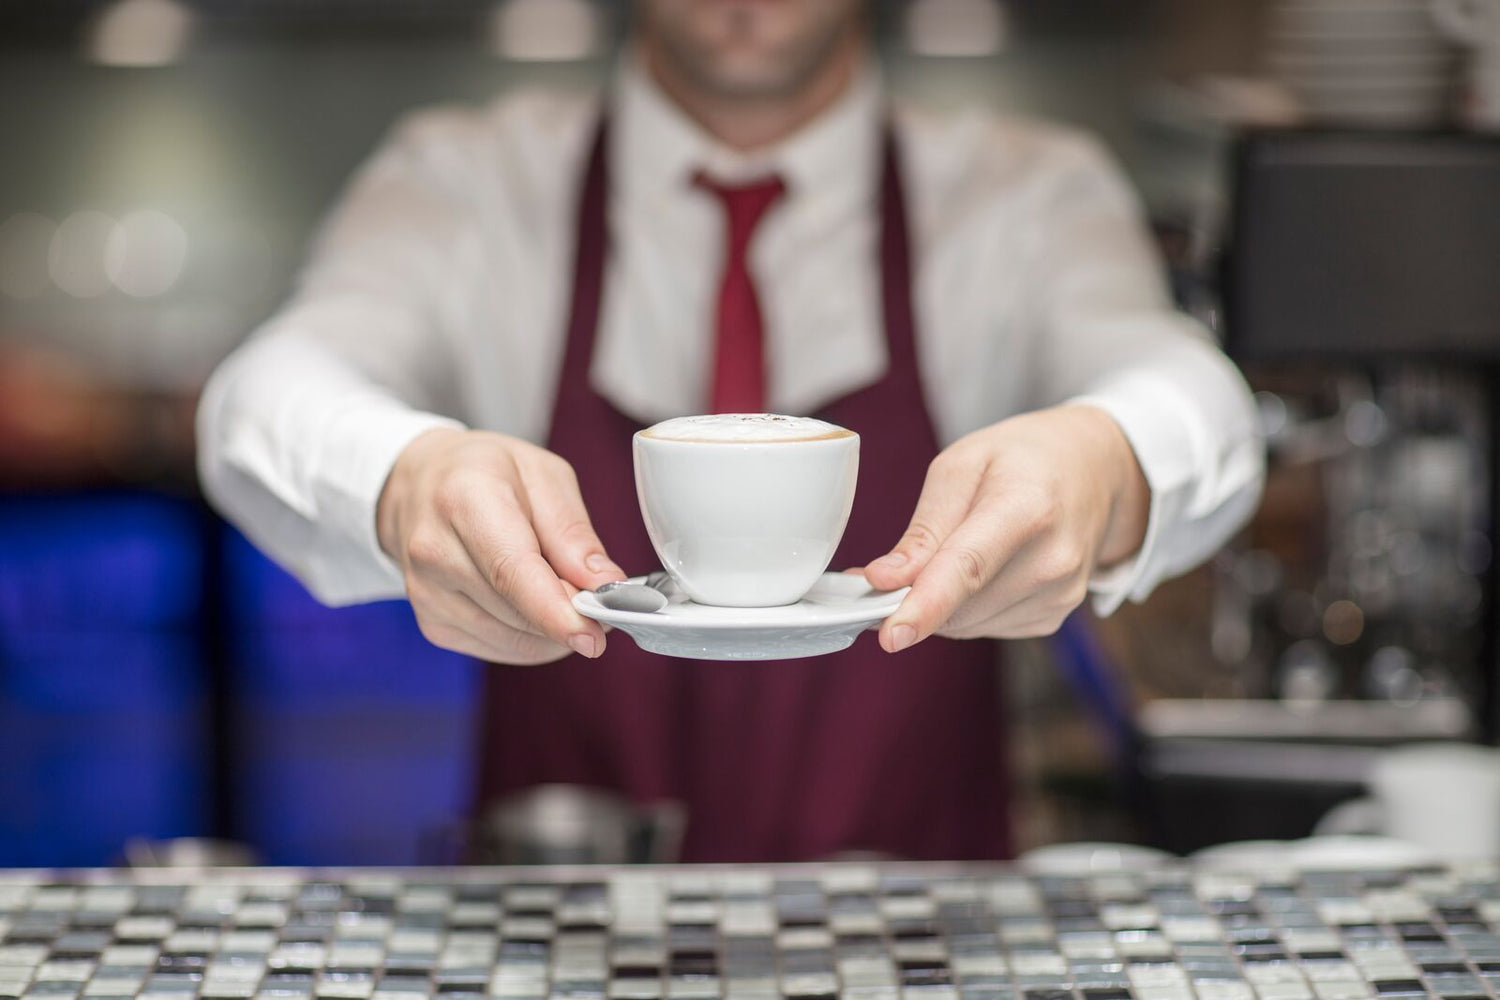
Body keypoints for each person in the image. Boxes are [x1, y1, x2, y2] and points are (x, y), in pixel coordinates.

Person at [198, 0, 1264, 861]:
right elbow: (267, 389)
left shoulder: (1028, 191)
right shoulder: (464, 181)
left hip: (918, 936)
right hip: (558, 933)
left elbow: (1191, 394)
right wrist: (403, 477)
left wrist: (1102, 460)